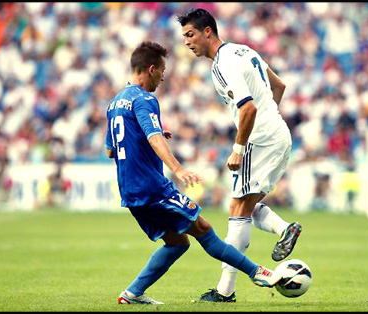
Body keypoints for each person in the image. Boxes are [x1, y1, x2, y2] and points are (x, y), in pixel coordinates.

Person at [105, 41, 282, 305]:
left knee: (178, 242)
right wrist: (178, 169)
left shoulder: (115, 102)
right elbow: (154, 137)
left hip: (130, 191)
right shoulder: (144, 99)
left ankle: (132, 293)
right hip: (151, 187)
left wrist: (142, 137)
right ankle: (258, 272)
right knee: (203, 228)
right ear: (151, 69)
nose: (163, 77)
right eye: (162, 71)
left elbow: (111, 150)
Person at [177, 9, 302, 302]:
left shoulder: (223, 64)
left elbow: (248, 108)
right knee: (245, 204)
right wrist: (271, 120)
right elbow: (279, 85)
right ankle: (284, 228)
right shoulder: (243, 50)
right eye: (184, 37)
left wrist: (238, 148)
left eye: (190, 34)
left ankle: (225, 291)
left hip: (259, 141)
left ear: (208, 31)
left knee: (237, 210)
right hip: (278, 134)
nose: (187, 42)